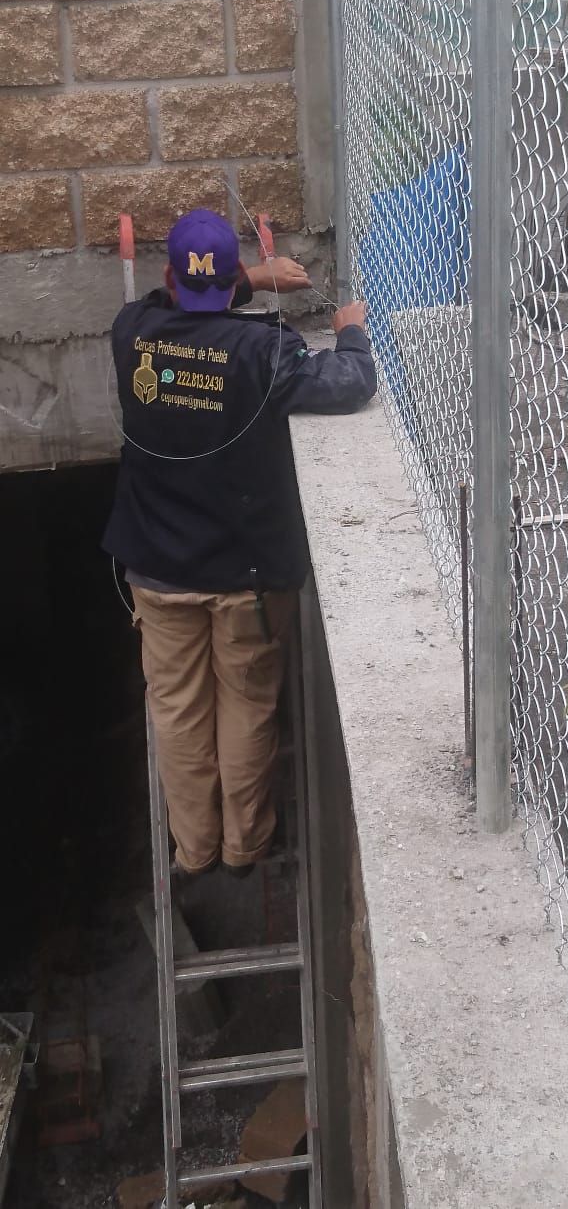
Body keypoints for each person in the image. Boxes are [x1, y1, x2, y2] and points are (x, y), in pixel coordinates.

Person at [103, 207, 376, 878]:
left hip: (158, 570)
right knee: (247, 708)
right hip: (243, 577)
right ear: (232, 283)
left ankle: (194, 848)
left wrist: (249, 278)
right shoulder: (265, 353)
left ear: (169, 275)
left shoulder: (131, 332)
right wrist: (353, 334)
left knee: (177, 712)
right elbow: (349, 385)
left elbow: (181, 303)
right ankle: (244, 847)